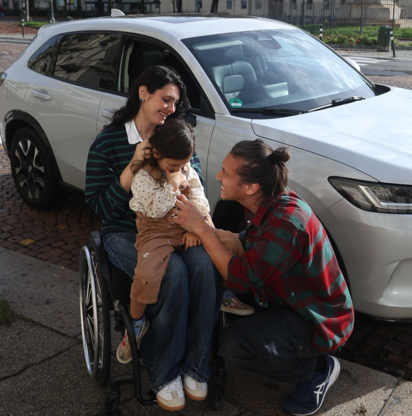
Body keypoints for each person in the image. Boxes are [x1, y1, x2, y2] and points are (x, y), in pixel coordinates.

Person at [170, 139, 355, 416]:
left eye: (226, 173)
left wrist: (204, 231)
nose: (218, 176)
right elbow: (240, 241)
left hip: (316, 320)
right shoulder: (271, 204)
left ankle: (317, 370)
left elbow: (242, 277)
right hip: (285, 298)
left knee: (235, 346)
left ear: (250, 187)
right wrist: (201, 228)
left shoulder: (287, 222)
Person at [85, 65, 220, 412]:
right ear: (143, 92)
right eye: (166, 99)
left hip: (178, 227)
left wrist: (198, 225)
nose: (171, 109)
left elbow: (194, 182)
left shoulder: (174, 134)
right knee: (171, 272)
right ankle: (164, 372)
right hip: (126, 232)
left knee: (204, 266)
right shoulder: (109, 141)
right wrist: (132, 166)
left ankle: (197, 365)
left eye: (175, 103)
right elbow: (102, 206)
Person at [118, 118, 244, 365]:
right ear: (156, 154)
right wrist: (172, 187)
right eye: (174, 165)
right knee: (146, 272)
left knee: (223, 242)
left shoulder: (186, 169)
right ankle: (136, 322)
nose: (181, 169)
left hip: (186, 222)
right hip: (155, 231)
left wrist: (197, 229)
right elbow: (155, 210)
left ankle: (225, 289)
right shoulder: (143, 176)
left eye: (185, 164)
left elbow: (199, 198)